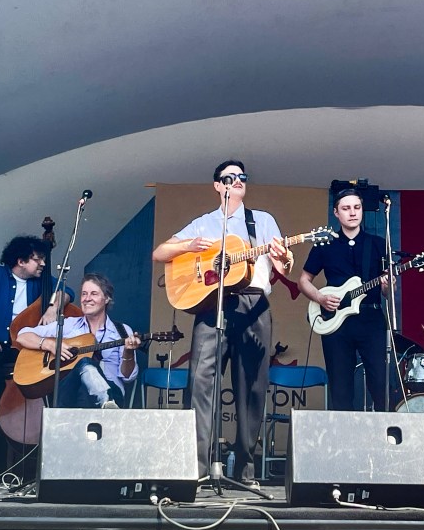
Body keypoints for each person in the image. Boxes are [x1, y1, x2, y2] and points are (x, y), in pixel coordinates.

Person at [152, 160, 292, 486]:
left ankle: (245, 470)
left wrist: (283, 255)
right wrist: (189, 246)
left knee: (251, 387)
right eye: (230, 178)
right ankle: (198, 469)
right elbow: (160, 253)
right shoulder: (204, 223)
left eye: (242, 177)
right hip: (212, 303)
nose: (237, 181)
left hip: (252, 304)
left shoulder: (262, 221)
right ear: (218, 185)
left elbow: (284, 268)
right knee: (200, 382)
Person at [0, 235, 74, 425]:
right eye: (38, 259)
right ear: (21, 261)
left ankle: (37, 420)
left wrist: (54, 307)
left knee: (48, 364)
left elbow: (67, 291)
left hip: (24, 345)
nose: (43, 264)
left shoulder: (41, 281)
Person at [299, 188, 388, 411]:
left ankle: (385, 437)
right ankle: (343, 441)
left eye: (356, 208)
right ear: (336, 213)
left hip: (371, 318)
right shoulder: (325, 244)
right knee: (340, 386)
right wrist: (320, 297)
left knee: (381, 381)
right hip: (336, 321)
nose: (352, 213)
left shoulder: (377, 244)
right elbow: (303, 280)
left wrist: (387, 286)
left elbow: (387, 291)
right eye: (346, 208)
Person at [16, 273, 139, 408]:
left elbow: (128, 377)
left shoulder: (121, 331)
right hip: (71, 393)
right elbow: (22, 335)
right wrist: (50, 344)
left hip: (113, 391)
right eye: (84, 294)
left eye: (94, 294)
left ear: (107, 298)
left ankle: (107, 398)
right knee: (84, 362)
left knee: (86, 365)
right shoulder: (68, 325)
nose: (87, 299)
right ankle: (105, 400)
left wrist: (128, 352)